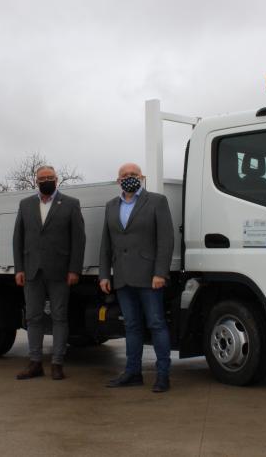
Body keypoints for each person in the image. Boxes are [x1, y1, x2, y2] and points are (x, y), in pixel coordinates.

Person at [99, 163, 175, 393]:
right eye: (124, 175)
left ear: (141, 177)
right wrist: (104, 274)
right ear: (118, 180)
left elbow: (166, 240)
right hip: (122, 277)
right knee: (131, 326)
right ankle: (133, 373)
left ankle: (163, 375)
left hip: (149, 277)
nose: (129, 178)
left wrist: (160, 273)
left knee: (156, 324)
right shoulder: (111, 206)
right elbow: (106, 243)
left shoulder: (157, 201)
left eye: (133, 174)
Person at [13, 165, 85, 380]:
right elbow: (18, 238)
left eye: (49, 177)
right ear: (36, 181)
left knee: (59, 317)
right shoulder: (26, 204)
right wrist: (19, 268)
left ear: (56, 179)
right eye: (42, 178)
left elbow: (78, 240)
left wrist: (74, 269)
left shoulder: (71, 204)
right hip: (32, 270)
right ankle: (35, 362)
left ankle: (57, 363)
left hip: (60, 271)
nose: (46, 180)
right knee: (33, 317)